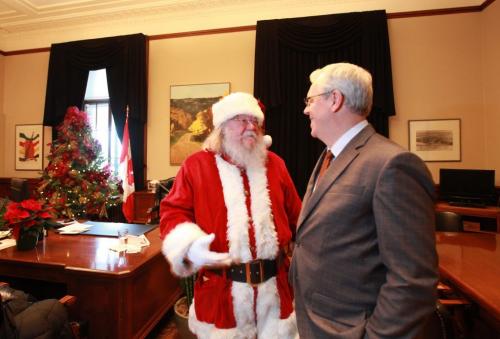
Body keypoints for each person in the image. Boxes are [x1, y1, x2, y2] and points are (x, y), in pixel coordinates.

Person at [290, 62, 438, 338]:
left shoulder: (393, 164)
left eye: (310, 100)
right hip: (316, 323)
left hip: (352, 330)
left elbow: (412, 281)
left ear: (335, 100)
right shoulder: (328, 156)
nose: (305, 109)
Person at [160, 92, 302, 338]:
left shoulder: (276, 164)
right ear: (222, 127)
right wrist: (189, 246)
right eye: (241, 120)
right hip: (222, 296)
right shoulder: (196, 166)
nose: (250, 127)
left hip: (275, 293)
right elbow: (173, 212)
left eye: (255, 121)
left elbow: (299, 218)